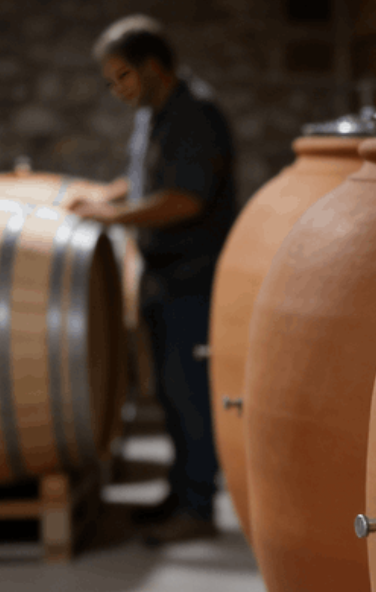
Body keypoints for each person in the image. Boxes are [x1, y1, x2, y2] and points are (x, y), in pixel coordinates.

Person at [70, 16, 236, 545]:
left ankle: (197, 508)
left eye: (123, 76)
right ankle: (180, 493)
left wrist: (112, 219)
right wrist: (109, 194)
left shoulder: (195, 116)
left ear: (154, 67)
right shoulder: (153, 114)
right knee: (168, 393)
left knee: (189, 394)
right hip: (163, 279)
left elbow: (184, 199)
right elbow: (146, 180)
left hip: (193, 279)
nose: (117, 89)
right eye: (111, 80)